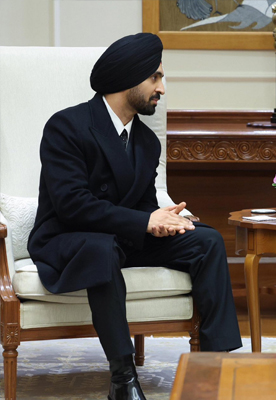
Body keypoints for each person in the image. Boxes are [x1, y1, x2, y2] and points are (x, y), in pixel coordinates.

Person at [28, 33, 242, 400]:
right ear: (129, 78)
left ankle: (213, 364)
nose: (162, 88)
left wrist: (163, 217)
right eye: (155, 78)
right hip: (68, 239)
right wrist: (144, 221)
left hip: (121, 237)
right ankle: (123, 377)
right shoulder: (66, 126)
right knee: (101, 248)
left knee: (205, 239)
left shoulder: (146, 141)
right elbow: (71, 205)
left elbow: (141, 204)